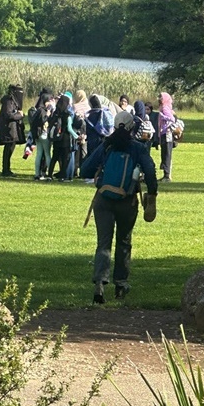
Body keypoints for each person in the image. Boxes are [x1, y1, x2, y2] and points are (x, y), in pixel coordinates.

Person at [80, 111, 158, 304]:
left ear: (115, 125)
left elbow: (85, 170)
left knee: (103, 243)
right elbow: (150, 171)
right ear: (133, 127)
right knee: (124, 242)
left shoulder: (106, 145)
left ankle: (99, 282)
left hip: (103, 200)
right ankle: (121, 284)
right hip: (127, 201)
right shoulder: (138, 148)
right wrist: (152, 193)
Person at [0, 84, 25, 177]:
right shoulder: (9, 101)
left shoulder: (13, 101)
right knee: (8, 149)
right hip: (8, 129)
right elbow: (8, 115)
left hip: (12, 129)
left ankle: (7, 169)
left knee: (10, 149)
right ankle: (5, 170)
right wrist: (19, 115)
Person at [30, 90, 53, 180]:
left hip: (38, 135)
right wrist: (48, 115)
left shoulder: (38, 110)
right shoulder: (43, 111)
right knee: (47, 154)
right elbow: (44, 121)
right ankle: (49, 174)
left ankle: (37, 174)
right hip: (44, 134)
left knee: (39, 154)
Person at [85, 95, 114, 159]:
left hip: (93, 140)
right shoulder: (104, 113)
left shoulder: (91, 116)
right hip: (103, 140)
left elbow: (87, 129)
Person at [157, 92, 175, 182]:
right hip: (163, 133)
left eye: (161, 97)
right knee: (164, 154)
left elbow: (172, 119)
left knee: (167, 154)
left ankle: (167, 176)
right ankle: (165, 175)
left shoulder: (164, 108)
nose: (159, 98)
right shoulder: (164, 107)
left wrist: (163, 116)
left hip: (167, 134)